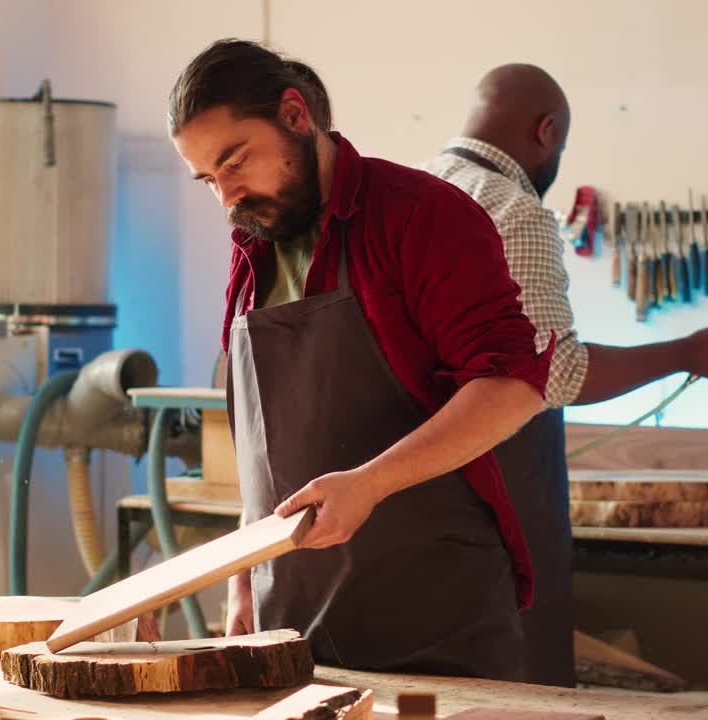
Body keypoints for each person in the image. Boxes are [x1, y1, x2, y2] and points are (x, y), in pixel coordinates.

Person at [167, 40, 553, 681]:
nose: (227, 198)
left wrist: (369, 483)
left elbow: (512, 386)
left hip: (431, 623)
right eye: (210, 179)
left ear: (295, 115)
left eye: (236, 162)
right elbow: (266, 443)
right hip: (290, 625)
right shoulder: (251, 250)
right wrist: (243, 570)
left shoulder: (422, 215)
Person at [420, 64, 708, 686]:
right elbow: (557, 373)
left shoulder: (406, 195)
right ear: (545, 131)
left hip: (408, 523)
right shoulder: (511, 209)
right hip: (494, 526)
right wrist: (688, 353)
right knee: (517, 692)